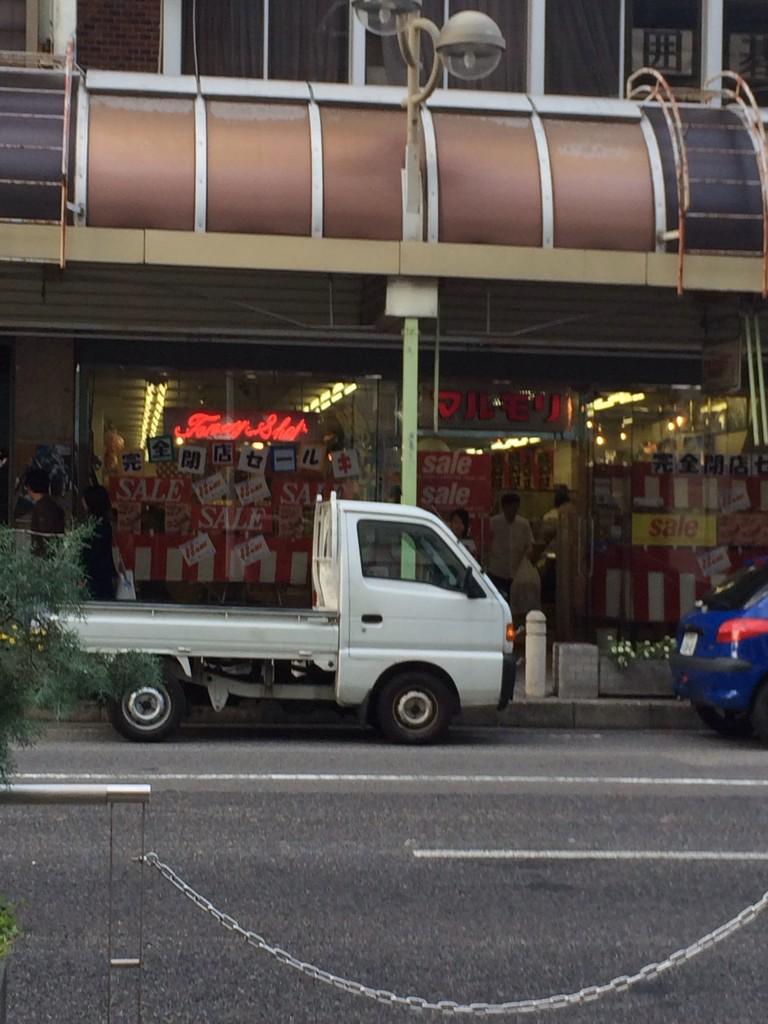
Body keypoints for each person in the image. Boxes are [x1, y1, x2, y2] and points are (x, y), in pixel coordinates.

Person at [486, 492, 533, 601]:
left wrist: (526, 560)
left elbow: (529, 545)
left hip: (517, 573)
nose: (513, 512)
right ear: (504, 507)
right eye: (511, 508)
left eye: (516, 509)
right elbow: (487, 544)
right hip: (497, 571)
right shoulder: (493, 523)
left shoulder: (524, 524)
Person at [81, 484, 117, 600]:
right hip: (103, 575)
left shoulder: (95, 527)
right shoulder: (105, 524)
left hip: (95, 577)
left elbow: (90, 554)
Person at [539, 484, 571, 602]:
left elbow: (543, 538)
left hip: (551, 556)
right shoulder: (568, 515)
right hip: (562, 557)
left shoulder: (549, 516)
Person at [25, 467, 65, 556]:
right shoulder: (51, 505)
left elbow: (46, 538)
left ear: (29, 487)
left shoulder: (43, 508)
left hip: (45, 558)